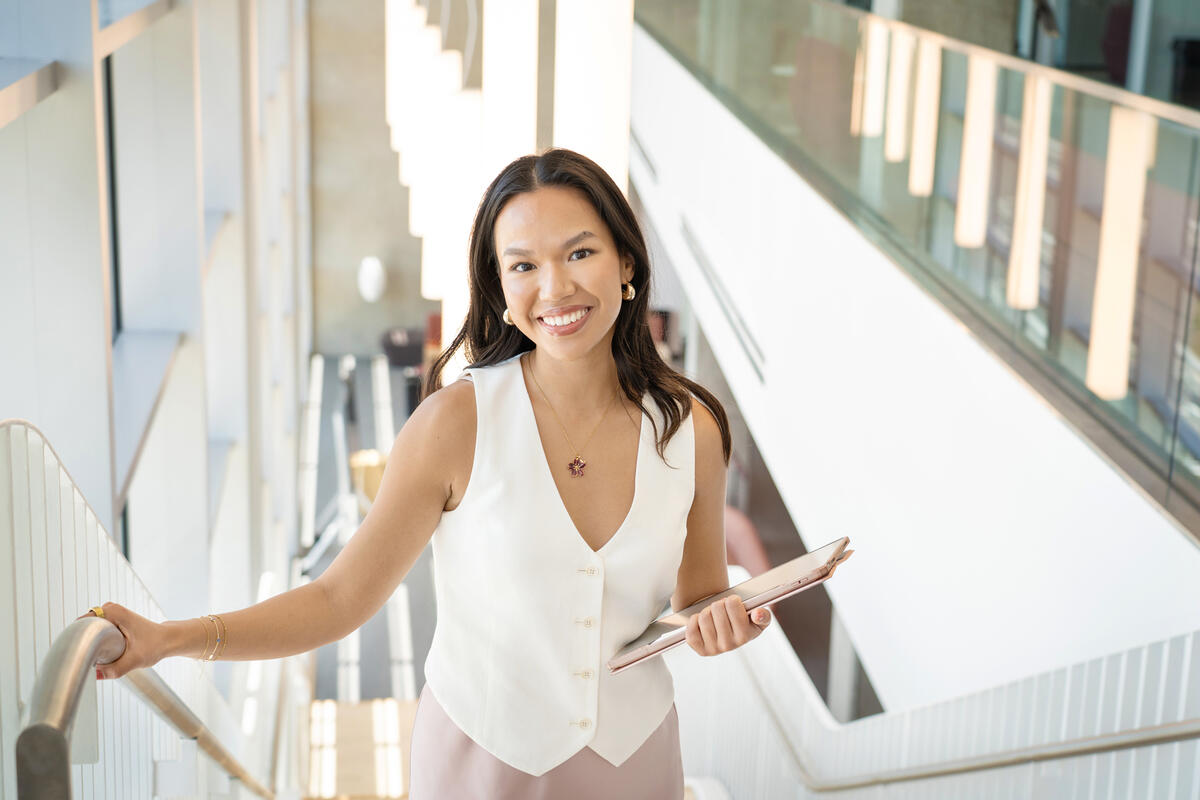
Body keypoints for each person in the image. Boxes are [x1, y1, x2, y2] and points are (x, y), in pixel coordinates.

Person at [83, 148, 773, 799]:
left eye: (580, 252)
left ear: (626, 263)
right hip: (479, 762)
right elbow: (335, 601)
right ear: (501, 290)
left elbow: (700, 597)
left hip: (636, 764)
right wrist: (170, 639)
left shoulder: (692, 432)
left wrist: (722, 621)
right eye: (523, 265)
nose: (555, 286)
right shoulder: (454, 424)